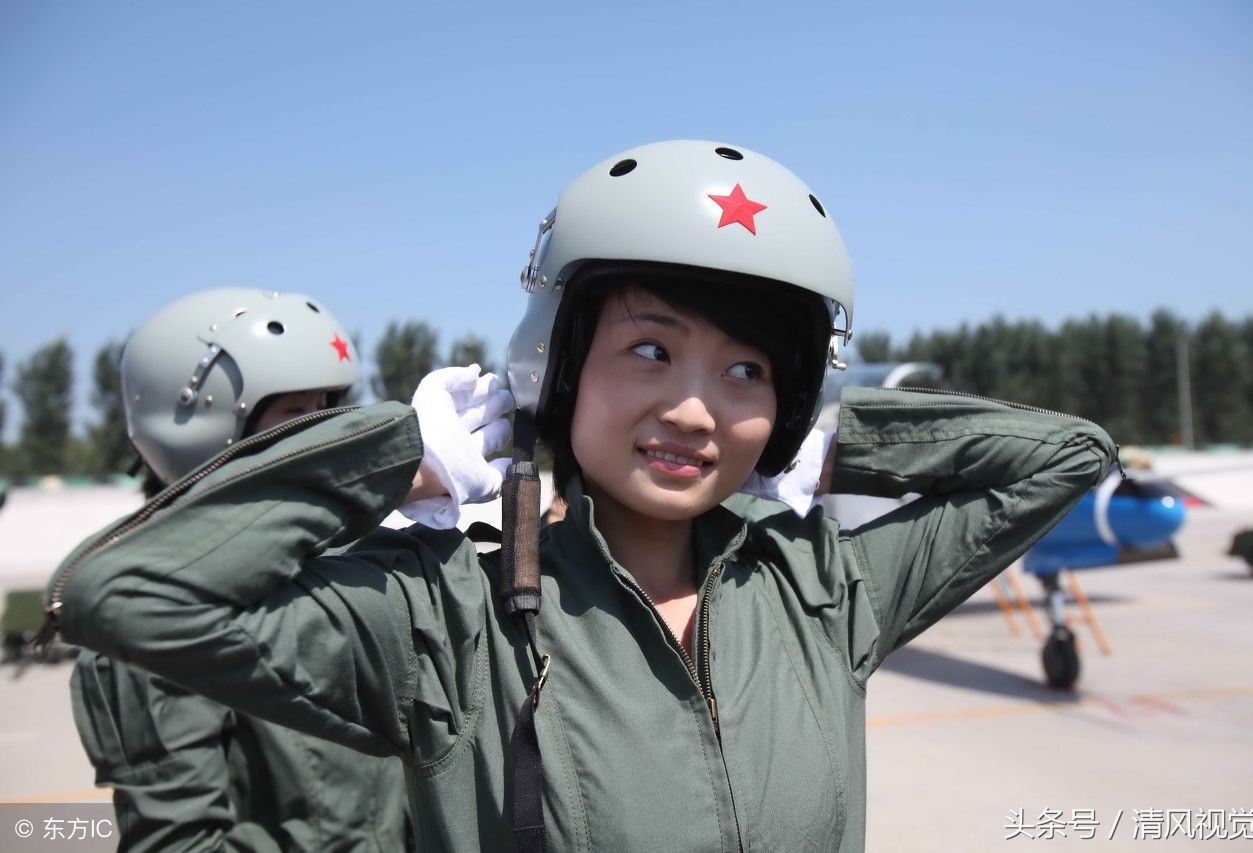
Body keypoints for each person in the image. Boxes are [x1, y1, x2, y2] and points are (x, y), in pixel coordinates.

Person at [47, 142, 1116, 852]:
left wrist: (829, 448)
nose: (698, 409)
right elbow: (124, 595)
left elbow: (1062, 456)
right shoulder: (443, 619)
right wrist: (396, 457)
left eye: (750, 371)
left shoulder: (825, 591)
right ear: (554, 367)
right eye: (649, 349)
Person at [67, 288, 412, 851]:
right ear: (206, 433)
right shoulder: (150, 627)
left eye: (329, 407)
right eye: (296, 415)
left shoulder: (344, 574)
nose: (326, 437)